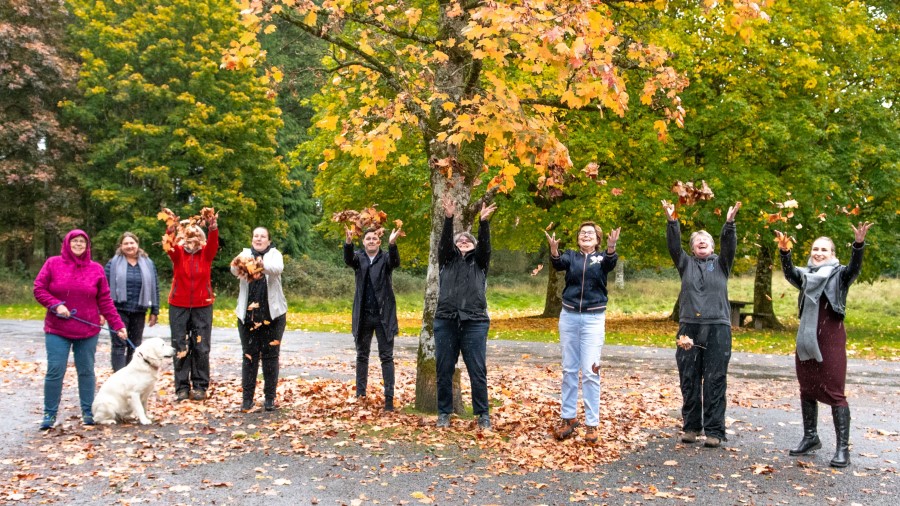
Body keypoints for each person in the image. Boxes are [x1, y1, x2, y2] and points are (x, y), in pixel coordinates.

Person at [776, 222, 872, 468]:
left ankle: (842, 449)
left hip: (830, 338)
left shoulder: (840, 275)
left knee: (835, 391)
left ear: (832, 254)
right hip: (806, 339)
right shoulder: (806, 276)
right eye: (815, 249)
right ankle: (811, 437)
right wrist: (785, 252)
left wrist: (858, 245)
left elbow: (854, 268)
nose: (818, 253)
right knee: (807, 387)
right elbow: (790, 274)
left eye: (824, 250)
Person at [663, 200, 741, 448]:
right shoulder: (685, 264)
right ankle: (691, 427)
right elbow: (674, 247)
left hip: (718, 327)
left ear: (712, 244)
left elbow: (729, 246)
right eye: (697, 239)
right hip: (689, 328)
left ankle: (715, 431)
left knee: (715, 378)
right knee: (689, 378)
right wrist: (672, 221)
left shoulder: (721, 264)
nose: (702, 241)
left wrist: (729, 224)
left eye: (706, 238)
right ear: (693, 247)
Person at [33, 230, 127, 430]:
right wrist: (56, 304)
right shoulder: (53, 263)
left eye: (82, 241)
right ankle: (49, 414)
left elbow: (105, 300)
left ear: (87, 245)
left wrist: (117, 325)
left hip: (87, 330)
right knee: (55, 370)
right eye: (74, 241)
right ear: (67, 243)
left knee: (86, 371)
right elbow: (39, 288)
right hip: (57, 329)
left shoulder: (96, 269)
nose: (78, 244)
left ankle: (88, 411)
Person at [545, 221, 620, 443]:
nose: (585, 235)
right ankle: (569, 419)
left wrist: (612, 247)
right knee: (569, 370)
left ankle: (592, 424)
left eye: (590, 233)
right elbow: (558, 264)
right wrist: (554, 250)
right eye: (582, 233)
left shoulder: (602, 258)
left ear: (598, 239)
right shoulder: (571, 256)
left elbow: (610, 262)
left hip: (594, 319)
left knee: (590, 372)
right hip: (569, 316)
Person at [434, 195, 497, 430]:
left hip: (475, 322)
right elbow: (443, 244)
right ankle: (444, 413)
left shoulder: (479, 262)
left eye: (467, 241)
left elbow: (486, 247)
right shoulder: (447, 260)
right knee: (444, 369)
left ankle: (483, 415)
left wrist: (483, 223)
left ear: (474, 246)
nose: (463, 243)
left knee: (477, 370)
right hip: (446, 320)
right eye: (459, 241)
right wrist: (449, 219)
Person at [344, 225, 402, 412]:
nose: (371, 241)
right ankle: (360, 395)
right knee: (362, 355)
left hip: (383, 314)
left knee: (386, 357)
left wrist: (392, 244)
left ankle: (389, 399)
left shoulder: (385, 258)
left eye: (374, 239)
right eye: (368, 238)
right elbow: (348, 259)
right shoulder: (359, 258)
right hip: (363, 315)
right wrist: (348, 243)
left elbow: (395, 262)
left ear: (379, 242)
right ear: (364, 242)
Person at [231, 227, 287, 412]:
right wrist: (240, 262)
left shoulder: (274, 254)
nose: (259, 238)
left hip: (272, 315)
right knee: (249, 356)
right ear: (252, 239)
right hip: (247, 316)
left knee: (271, 356)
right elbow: (233, 269)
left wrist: (259, 264)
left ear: (269, 241)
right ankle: (247, 399)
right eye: (256, 236)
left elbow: (277, 269)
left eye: (263, 236)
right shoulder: (245, 253)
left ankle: (269, 398)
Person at [165, 214, 219, 402]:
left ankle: (200, 386)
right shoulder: (178, 254)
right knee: (180, 345)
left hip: (202, 305)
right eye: (189, 235)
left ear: (202, 239)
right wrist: (170, 229)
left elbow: (213, 243)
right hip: (178, 305)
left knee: (201, 346)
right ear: (183, 238)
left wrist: (212, 228)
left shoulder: (206, 254)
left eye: (197, 235)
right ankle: (181, 387)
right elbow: (169, 246)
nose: (193, 239)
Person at [104, 232, 160, 371]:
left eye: (132, 243)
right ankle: (119, 377)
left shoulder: (148, 263)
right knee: (119, 344)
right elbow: (104, 287)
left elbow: (155, 286)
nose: (129, 246)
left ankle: (131, 375)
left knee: (135, 345)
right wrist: (102, 311)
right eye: (126, 243)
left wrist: (155, 310)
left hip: (139, 310)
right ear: (121, 246)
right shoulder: (113, 263)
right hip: (118, 310)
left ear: (137, 244)